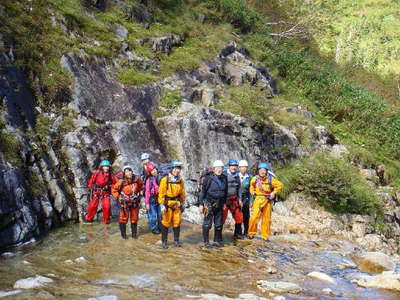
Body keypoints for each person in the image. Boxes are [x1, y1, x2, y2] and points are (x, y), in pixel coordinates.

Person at [248, 162, 283, 240]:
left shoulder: (271, 179)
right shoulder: (255, 179)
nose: (262, 171)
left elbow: (280, 185)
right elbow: (251, 187)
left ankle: (265, 235)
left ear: (267, 171)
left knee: (266, 219)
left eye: (264, 170)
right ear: (258, 170)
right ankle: (251, 233)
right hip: (257, 199)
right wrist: (252, 191)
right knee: (253, 217)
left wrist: (274, 192)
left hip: (267, 200)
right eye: (260, 169)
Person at [198, 160, 227, 248]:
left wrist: (225, 203)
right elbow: (203, 192)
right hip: (209, 203)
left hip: (220, 203)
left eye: (221, 168)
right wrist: (200, 204)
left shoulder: (224, 178)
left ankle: (216, 240)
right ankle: (206, 242)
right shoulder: (208, 178)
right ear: (214, 169)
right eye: (217, 168)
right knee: (207, 223)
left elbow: (225, 191)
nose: (219, 170)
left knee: (218, 224)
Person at [158, 161, 186, 248]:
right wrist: (162, 205)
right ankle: (164, 241)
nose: (177, 170)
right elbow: (161, 193)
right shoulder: (165, 180)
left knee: (177, 222)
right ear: (172, 169)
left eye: (178, 169)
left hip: (177, 204)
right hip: (167, 204)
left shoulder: (180, 180)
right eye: (175, 168)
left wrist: (183, 202)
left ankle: (176, 241)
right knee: (165, 223)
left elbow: (182, 192)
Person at [112, 166, 144, 239]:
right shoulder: (121, 181)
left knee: (134, 218)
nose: (129, 173)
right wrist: (118, 197)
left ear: (132, 172)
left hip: (134, 201)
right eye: (126, 171)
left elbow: (141, 186)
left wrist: (141, 192)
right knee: (123, 219)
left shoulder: (136, 179)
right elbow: (114, 189)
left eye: (130, 171)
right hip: (124, 202)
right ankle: (123, 235)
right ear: (124, 173)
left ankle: (134, 235)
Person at [86, 160, 116, 224]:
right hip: (97, 191)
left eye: (107, 166)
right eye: (105, 166)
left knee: (107, 206)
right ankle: (89, 219)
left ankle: (107, 221)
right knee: (92, 206)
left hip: (105, 192)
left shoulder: (110, 174)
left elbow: (115, 184)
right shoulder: (97, 173)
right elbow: (91, 182)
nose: (106, 168)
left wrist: (109, 186)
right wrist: (91, 187)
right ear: (102, 167)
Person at [223, 159, 244, 240]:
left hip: (234, 199)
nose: (234, 167)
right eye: (232, 166)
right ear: (229, 166)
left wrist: (240, 199)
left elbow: (239, 188)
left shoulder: (237, 176)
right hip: (225, 199)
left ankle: (237, 234)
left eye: (235, 166)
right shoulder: (224, 174)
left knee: (239, 216)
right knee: (222, 218)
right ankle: (218, 235)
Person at [144, 163, 162, 234]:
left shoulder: (159, 177)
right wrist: (147, 203)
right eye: (152, 170)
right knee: (153, 216)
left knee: (160, 215)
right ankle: (154, 228)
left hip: (158, 198)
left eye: (154, 169)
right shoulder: (149, 180)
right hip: (151, 199)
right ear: (150, 172)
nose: (154, 171)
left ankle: (160, 227)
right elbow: (147, 192)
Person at [238, 159, 251, 236]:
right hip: (238, 197)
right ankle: (238, 232)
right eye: (242, 167)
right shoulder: (236, 176)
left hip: (246, 198)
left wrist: (251, 201)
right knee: (238, 215)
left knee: (246, 216)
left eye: (245, 167)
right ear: (239, 168)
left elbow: (251, 190)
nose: (243, 168)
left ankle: (246, 232)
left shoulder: (249, 177)